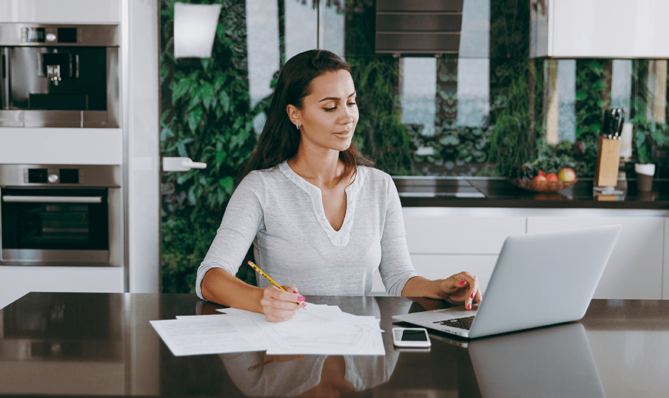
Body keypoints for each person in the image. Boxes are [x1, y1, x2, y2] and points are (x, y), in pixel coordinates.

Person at [195, 49, 482, 322]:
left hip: (360, 351)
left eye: (351, 102)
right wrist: (261, 299)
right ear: (295, 115)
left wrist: (439, 288)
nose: (347, 117)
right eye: (330, 107)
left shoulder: (379, 186)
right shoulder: (261, 188)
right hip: (289, 355)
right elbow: (210, 277)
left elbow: (398, 279)